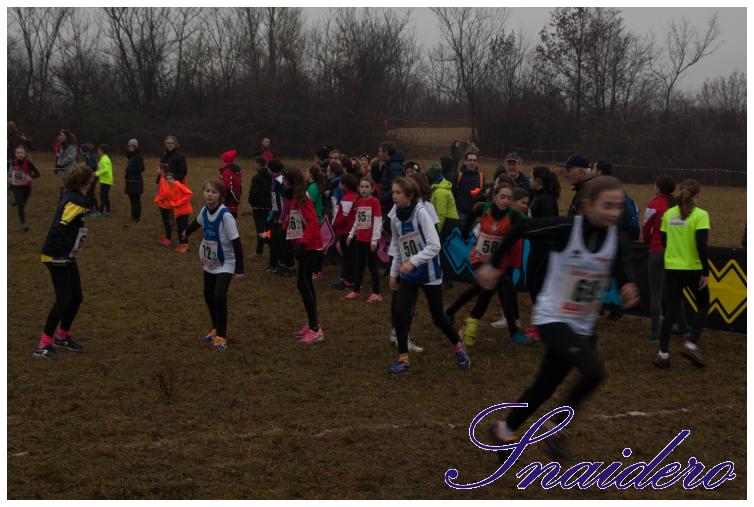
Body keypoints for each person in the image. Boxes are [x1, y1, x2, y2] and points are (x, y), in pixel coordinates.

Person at [479, 176, 639, 458]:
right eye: (607, 206)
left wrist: (627, 285)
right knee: (594, 372)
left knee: (545, 386)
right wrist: (493, 265)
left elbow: (621, 266)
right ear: (587, 205)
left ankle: (504, 429)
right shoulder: (566, 229)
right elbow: (521, 228)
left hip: (583, 325)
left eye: (618, 207)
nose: (614, 212)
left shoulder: (617, 239)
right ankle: (555, 427)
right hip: (552, 317)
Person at [386, 176, 471, 374]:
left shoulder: (421, 213)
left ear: (409, 195)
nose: (394, 196)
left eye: (398, 193)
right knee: (400, 315)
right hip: (409, 275)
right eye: (393, 192)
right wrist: (393, 272)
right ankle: (403, 359)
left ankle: (458, 345)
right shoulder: (396, 217)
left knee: (438, 318)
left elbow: (434, 245)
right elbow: (397, 246)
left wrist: (413, 262)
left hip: (429, 273)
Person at [446, 183, 529, 346]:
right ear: (495, 197)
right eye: (502, 197)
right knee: (502, 290)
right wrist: (464, 232)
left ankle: (452, 313)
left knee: (481, 290)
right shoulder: (484, 209)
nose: (505, 201)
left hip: (498, 262)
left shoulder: (514, 215)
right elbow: (470, 218)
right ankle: (513, 332)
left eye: (509, 198)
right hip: (480, 259)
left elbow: (529, 226)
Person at [34, 165, 94, 358]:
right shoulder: (75, 200)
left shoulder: (77, 198)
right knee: (63, 299)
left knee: (76, 297)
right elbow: (60, 227)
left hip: (66, 253)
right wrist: (62, 254)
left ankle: (62, 336)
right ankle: (43, 345)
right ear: (86, 182)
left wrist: (73, 249)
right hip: (56, 254)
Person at [183, 178, 245, 351]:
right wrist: (186, 232)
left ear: (221, 195)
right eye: (207, 191)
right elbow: (197, 222)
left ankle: (221, 337)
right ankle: (215, 328)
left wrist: (239, 269)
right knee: (208, 295)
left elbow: (236, 242)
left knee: (219, 297)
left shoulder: (226, 216)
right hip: (210, 261)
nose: (209, 195)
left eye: (214, 192)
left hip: (226, 262)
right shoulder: (205, 210)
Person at [654, 179, 710, 369]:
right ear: (697, 195)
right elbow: (701, 245)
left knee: (671, 312)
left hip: (672, 268)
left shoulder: (669, 214)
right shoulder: (701, 215)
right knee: (703, 306)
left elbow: (664, 241)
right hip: (693, 269)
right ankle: (691, 345)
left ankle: (663, 354)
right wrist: (705, 271)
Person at [285, 167, 325, 344]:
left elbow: (313, 223)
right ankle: (312, 323)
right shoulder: (296, 197)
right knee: (305, 282)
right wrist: (283, 229)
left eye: (285, 181)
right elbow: (295, 219)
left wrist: (302, 243)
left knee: (303, 283)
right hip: (306, 245)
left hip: (311, 246)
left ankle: (316, 329)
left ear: (290, 183)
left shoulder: (303, 199)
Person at [642, 175, 676, 342]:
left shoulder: (653, 205)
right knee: (675, 291)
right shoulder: (678, 206)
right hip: (675, 253)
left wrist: (650, 242)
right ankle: (683, 326)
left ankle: (656, 333)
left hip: (657, 251)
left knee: (656, 294)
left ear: (658, 187)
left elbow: (646, 230)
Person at [346, 176, 383, 302]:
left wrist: (374, 240)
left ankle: (376, 293)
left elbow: (377, 220)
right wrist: (351, 234)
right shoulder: (360, 201)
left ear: (372, 189)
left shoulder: (375, 202)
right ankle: (356, 290)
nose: (363, 189)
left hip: (370, 240)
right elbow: (358, 220)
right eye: (362, 187)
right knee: (359, 265)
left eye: (367, 187)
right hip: (360, 239)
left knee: (372, 266)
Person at [267, 159, 294, 276]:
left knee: (282, 242)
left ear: (271, 169)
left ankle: (286, 265)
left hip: (281, 217)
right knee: (275, 240)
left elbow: (285, 201)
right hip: (276, 216)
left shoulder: (280, 181)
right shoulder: (275, 180)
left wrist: (282, 217)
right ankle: (277, 264)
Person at [155, 171, 193, 252]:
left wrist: (178, 203)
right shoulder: (168, 189)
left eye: (171, 178)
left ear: (174, 179)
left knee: (183, 228)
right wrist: (157, 200)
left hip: (185, 210)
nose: (169, 180)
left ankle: (186, 245)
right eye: (167, 179)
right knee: (179, 229)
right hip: (177, 212)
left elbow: (189, 193)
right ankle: (182, 245)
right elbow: (162, 196)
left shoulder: (179, 185)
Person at [334, 173, 359, 292]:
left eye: (341, 183)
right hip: (350, 231)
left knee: (347, 257)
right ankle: (349, 279)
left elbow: (344, 216)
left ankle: (348, 280)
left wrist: (335, 223)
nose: (339, 185)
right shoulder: (353, 196)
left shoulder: (348, 198)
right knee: (350, 256)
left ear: (345, 185)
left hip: (346, 231)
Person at [8, 144, 40, 231]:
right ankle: (23, 224)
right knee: (21, 205)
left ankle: (17, 202)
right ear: (15, 154)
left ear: (25, 154)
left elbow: (37, 174)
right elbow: (10, 172)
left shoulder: (29, 163)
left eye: (21, 153)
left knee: (23, 203)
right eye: (18, 153)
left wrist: (31, 177)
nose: (20, 154)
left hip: (26, 187)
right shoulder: (13, 162)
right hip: (16, 186)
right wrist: (9, 177)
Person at [306, 164, 328, 281]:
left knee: (315, 247)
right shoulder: (315, 186)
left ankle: (315, 271)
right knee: (317, 246)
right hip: (316, 219)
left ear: (310, 174)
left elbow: (308, 203)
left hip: (313, 220)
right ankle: (317, 270)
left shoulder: (313, 187)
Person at [376, 141, 405, 228]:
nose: (378, 154)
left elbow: (397, 187)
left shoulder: (394, 167)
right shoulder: (387, 165)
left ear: (386, 152)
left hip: (391, 205)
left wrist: (380, 199)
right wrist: (374, 167)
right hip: (387, 204)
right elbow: (378, 180)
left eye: (380, 151)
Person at [248, 156, 272, 256]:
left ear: (258, 164)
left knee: (260, 229)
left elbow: (253, 194)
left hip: (258, 207)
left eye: (255, 163)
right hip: (270, 207)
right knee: (268, 228)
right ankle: (272, 248)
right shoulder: (271, 175)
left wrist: (251, 202)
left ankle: (259, 251)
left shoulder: (256, 178)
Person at [453, 149, 485, 223]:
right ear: (465, 162)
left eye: (474, 160)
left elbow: (482, 193)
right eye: (470, 160)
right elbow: (453, 193)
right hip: (460, 212)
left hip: (475, 214)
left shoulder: (481, 176)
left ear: (477, 162)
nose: (472, 162)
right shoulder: (458, 175)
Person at [426, 162, 459, 231]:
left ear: (432, 177)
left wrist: (437, 231)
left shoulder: (440, 191)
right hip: (448, 222)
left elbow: (441, 214)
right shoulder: (439, 188)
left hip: (447, 223)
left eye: (428, 177)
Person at [124, 139, 145, 223]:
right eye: (129, 146)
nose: (130, 147)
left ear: (136, 147)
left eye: (132, 146)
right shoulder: (130, 156)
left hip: (136, 181)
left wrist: (130, 169)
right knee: (132, 200)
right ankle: (132, 216)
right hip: (129, 181)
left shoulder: (138, 156)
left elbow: (142, 168)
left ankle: (137, 218)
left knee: (136, 200)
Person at [218, 150, 242, 218]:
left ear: (225, 161)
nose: (221, 162)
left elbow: (225, 189)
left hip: (227, 205)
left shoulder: (227, 172)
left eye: (222, 160)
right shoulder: (236, 171)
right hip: (234, 204)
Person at [95, 144, 113, 217]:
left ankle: (100, 212)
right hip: (105, 180)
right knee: (105, 196)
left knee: (103, 196)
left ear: (102, 151)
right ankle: (108, 211)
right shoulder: (103, 158)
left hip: (106, 181)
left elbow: (106, 169)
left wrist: (97, 173)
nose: (98, 151)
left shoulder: (104, 159)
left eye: (98, 150)